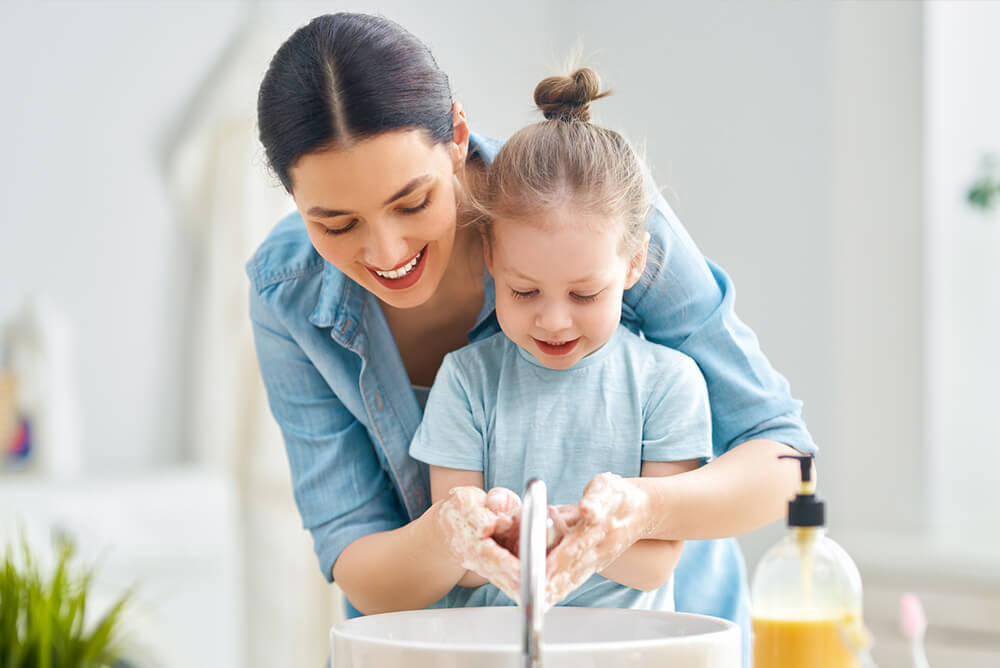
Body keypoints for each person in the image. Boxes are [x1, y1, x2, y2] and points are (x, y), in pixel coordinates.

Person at [248, 12, 816, 665]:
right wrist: (446, 539)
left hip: (659, 644)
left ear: (456, 136)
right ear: (293, 199)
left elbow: (785, 460)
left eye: (411, 202)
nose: (386, 250)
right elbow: (356, 557)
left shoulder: (594, 207)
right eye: (336, 222)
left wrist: (645, 510)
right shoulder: (285, 292)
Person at [408, 69, 711, 613]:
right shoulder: (467, 381)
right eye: (524, 292)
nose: (554, 321)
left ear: (634, 263)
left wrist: (555, 532)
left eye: (585, 294)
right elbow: (467, 566)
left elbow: (654, 565)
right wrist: (488, 527)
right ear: (491, 258)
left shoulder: (668, 384)